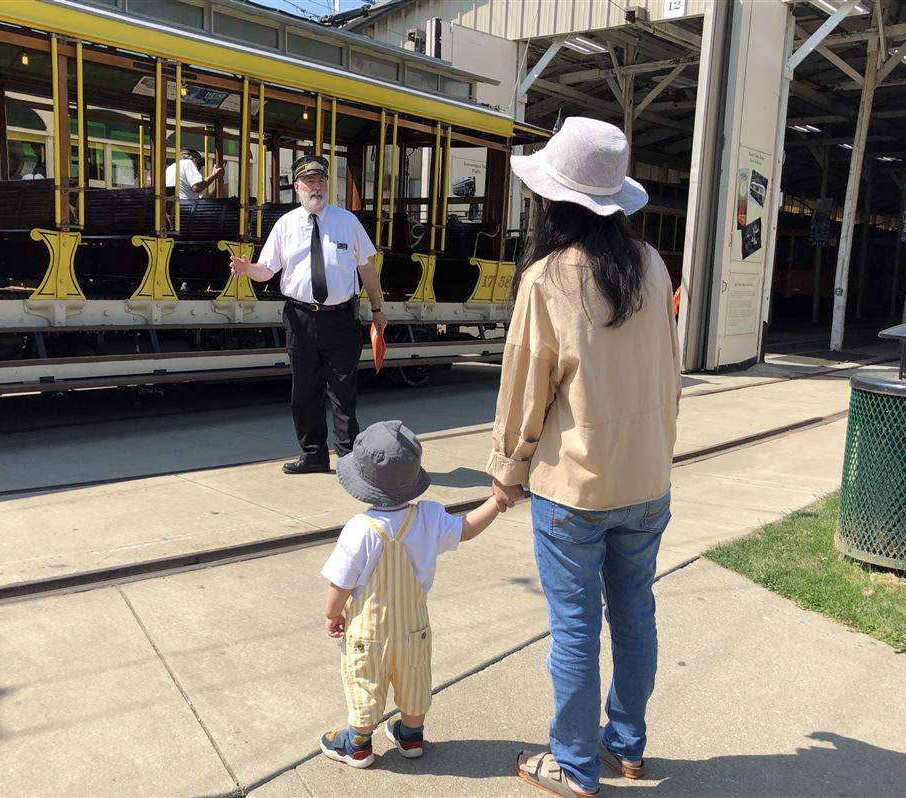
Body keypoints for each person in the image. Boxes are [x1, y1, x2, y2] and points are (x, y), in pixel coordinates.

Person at [486, 117, 681, 798]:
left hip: (574, 489)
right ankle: (625, 747)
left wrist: (507, 472)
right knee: (636, 617)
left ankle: (571, 765)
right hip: (647, 479)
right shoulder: (652, 267)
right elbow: (670, 373)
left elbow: (524, 389)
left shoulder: (547, 278)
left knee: (574, 630)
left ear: (554, 200)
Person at [319, 420, 505, 768]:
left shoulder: (359, 529)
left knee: (365, 679)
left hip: (368, 632)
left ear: (362, 485)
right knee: (414, 677)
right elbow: (466, 529)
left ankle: (357, 744)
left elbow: (341, 583)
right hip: (413, 628)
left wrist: (333, 614)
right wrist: (495, 502)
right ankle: (411, 735)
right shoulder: (430, 518)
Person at [229, 154, 387, 474]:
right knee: (305, 392)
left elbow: (367, 269)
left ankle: (348, 460)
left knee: (343, 393)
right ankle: (314, 454)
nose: (316, 187)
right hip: (300, 318)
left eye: (321, 181)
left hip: (341, 317)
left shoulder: (347, 222)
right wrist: (248, 270)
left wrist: (378, 309)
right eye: (309, 182)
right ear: (297, 187)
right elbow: (267, 269)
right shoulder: (286, 225)